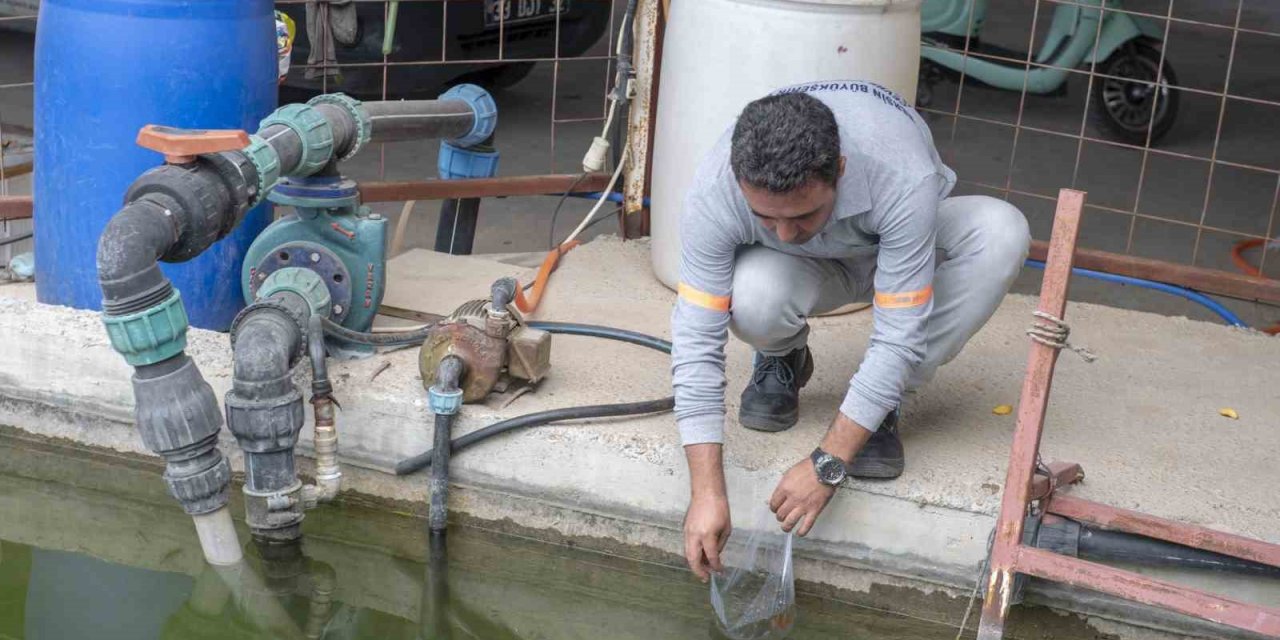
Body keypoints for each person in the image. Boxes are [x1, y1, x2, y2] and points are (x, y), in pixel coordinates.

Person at [671, 81, 1031, 581]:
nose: (783, 232)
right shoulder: (716, 188)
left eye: (802, 214)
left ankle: (882, 405)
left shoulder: (902, 172)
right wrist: (706, 493)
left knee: (1001, 232)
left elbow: (900, 332)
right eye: (764, 217)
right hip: (801, 271)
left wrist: (829, 461)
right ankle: (782, 356)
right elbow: (695, 339)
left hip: (900, 251)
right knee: (750, 295)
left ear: (838, 169)